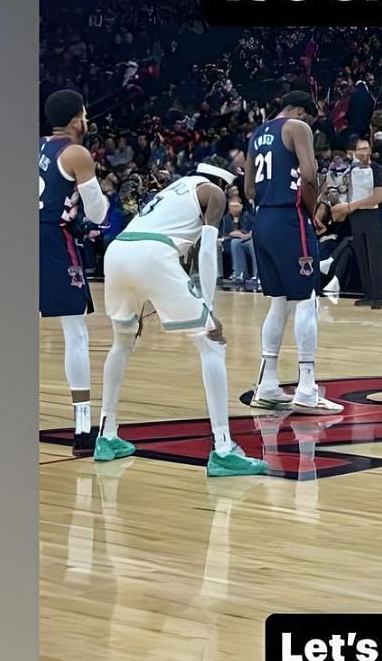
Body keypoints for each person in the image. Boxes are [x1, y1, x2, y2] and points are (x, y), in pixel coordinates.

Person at [93, 159, 267, 477]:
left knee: (121, 343)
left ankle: (106, 436)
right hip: (152, 254)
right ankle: (224, 449)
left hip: (118, 253)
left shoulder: (175, 189)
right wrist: (210, 308)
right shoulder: (212, 192)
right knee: (212, 344)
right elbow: (207, 251)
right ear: (223, 184)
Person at [241, 93, 342, 414]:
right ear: (300, 111)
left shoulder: (257, 134)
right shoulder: (297, 126)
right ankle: (307, 388)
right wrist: (314, 209)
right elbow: (310, 174)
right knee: (306, 300)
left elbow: (249, 191)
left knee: (279, 302)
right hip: (290, 219)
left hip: (262, 220)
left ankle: (268, 385)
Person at [39, 89, 112, 455]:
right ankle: (83, 427)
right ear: (76, 120)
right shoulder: (77, 152)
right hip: (52, 241)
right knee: (75, 333)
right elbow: (98, 212)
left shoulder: (35, 146)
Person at [333, 136, 382, 309]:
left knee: (374, 256)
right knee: (361, 255)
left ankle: (379, 297)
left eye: (366, 148)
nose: (364, 151)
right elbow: (343, 190)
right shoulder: (349, 171)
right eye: (360, 149)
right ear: (354, 153)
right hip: (356, 216)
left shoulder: (378, 169)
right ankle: (368, 293)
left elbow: (377, 197)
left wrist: (350, 206)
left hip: (372, 214)